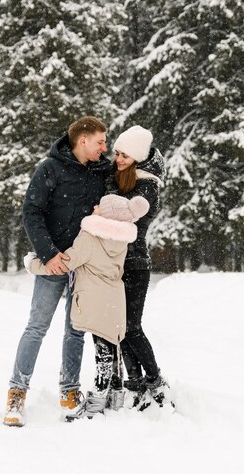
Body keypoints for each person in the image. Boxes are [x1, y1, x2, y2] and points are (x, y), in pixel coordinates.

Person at [3, 116, 109, 427]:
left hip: (85, 264)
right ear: (83, 141)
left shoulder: (102, 170)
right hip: (55, 262)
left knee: (76, 330)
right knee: (37, 327)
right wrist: (48, 254)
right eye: (100, 142)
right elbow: (31, 212)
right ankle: (16, 393)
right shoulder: (50, 169)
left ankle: (70, 391)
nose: (105, 148)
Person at [25, 193, 150, 421]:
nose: (95, 206)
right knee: (111, 348)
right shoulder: (121, 240)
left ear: (108, 215)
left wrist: (32, 264)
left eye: (100, 207)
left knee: (102, 354)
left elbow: (65, 263)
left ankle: (96, 403)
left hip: (94, 300)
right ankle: (116, 395)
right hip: (114, 300)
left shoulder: (91, 238)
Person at [107, 125, 173, 410]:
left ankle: (156, 380)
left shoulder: (147, 186)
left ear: (136, 157)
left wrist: (106, 207)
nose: (118, 158)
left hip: (134, 264)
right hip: (114, 264)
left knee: (132, 327)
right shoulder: (120, 179)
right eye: (117, 153)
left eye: (124, 154)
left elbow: (130, 216)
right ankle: (135, 382)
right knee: (119, 328)